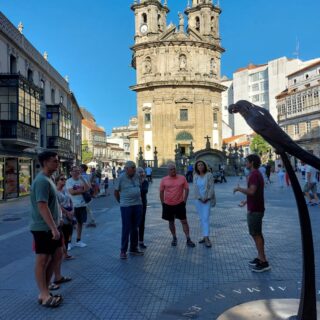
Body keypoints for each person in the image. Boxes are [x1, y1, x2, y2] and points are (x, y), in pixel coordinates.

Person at [29, 151, 63, 307]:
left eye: (58, 160)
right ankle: (43, 294)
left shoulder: (49, 179)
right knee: (42, 260)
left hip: (53, 226)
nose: (57, 163)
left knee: (56, 256)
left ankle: (46, 289)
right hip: (43, 228)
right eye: (54, 161)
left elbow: (51, 203)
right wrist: (53, 229)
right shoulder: (42, 181)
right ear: (44, 162)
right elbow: (42, 206)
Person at [233, 154, 271, 273]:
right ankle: (260, 257)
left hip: (255, 210)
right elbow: (255, 193)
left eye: (247, 161)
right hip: (255, 207)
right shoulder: (255, 174)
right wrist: (246, 201)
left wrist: (239, 189)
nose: (245, 163)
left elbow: (252, 191)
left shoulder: (254, 174)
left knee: (256, 234)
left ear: (252, 163)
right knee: (256, 234)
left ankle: (264, 262)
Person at [159, 162, 195, 248]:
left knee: (184, 221)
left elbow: (187, 189)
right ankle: (174, 237)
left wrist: (184, 200)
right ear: (168, 171)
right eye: (171, 169)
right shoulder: (164, 180)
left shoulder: (182, 178)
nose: (173, 171)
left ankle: (188, 239)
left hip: (180, 204)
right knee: (171, 222)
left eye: (174, 169)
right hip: (168, 204)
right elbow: (161, 192)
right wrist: (162, 203)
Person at [114, 161, 144, 259]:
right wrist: (121, 202)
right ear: (126, 169)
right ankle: (123, 251)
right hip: (126, 206)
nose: (135, 169)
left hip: (137, 204)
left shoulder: (136, 176)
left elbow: (140, 184)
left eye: (135, 167)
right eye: (133, 167)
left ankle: (133, 248)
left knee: (135, 227)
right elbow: (116, 192)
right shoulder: (121, 178)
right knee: (126, 228)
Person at [66, 166, 91, 247]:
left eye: (78, 171)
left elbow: (87, 188)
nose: (76, 172)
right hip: (73, 205)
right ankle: (69, 242)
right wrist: (82, 190)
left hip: (82, 204)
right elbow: (72, 192)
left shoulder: (82, 179)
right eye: (75, 171)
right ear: (71, 172)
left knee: (80, 223)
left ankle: (78, 240)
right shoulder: (69, 181)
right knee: (72, 224)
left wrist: (83, 180)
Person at [193, 160, 216, 248]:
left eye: (201, 165)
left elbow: (211, 187)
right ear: (196, 167)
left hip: (207, 199)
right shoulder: (195, 176)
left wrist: (207, 197)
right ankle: (204, 236)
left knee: (205, 218)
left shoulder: (209, 175)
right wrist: (199, 197)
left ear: (204, 166)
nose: (200, 166)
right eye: (198, 165)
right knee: (202, 218)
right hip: (198, 200)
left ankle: (207, 238)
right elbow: (195, 188)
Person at [55, 174, 74, 258]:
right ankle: (63, 253)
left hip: (69, 214)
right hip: (61, 215)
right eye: (62, 179)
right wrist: (66, 212)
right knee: (62, 235)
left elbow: (70, 200)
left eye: (65, 179)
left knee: (68, 234)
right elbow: (57, 205)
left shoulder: (65, 189)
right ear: (57, 181)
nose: (64, 181)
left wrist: (72, 210)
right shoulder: (55, 192)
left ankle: (65, 253)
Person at [137, 167, 149, 249]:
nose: (141, 173)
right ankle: (134, 242)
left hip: (142, 205)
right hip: (133, 204)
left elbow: (144, 191)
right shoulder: (133, 182)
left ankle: (141, 241)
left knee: (141, 223)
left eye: (142, 172)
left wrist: (139, 185)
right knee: (133, 224)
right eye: (139, 172)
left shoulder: (145, 182)